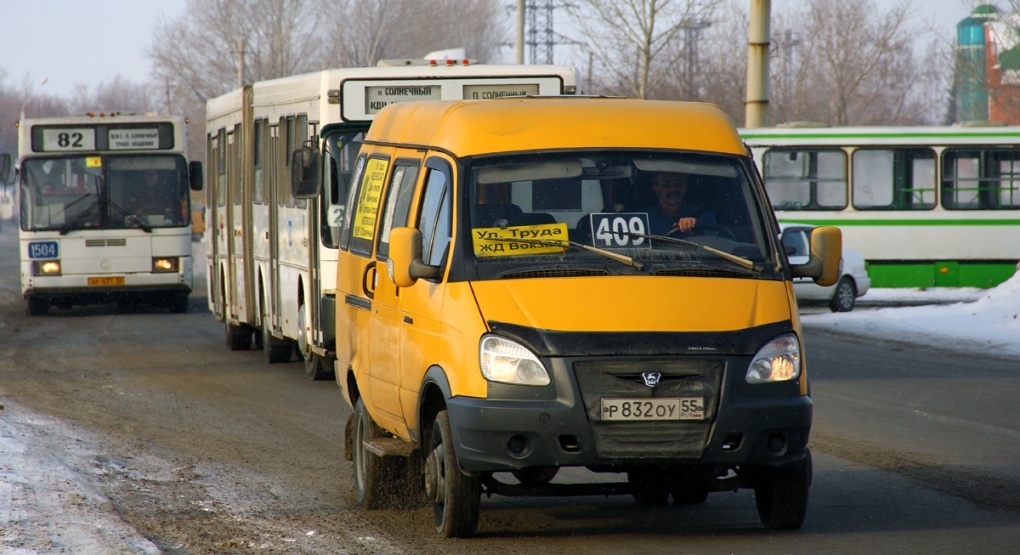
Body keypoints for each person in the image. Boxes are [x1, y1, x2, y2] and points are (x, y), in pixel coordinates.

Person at [643, 172, 716, 236]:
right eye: (666, 185)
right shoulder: (644, 218)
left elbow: (713, 246)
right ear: (656, 189)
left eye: (678, 184)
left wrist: (695, 229)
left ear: (685, 188)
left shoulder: (702, 216)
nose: (673, 189)